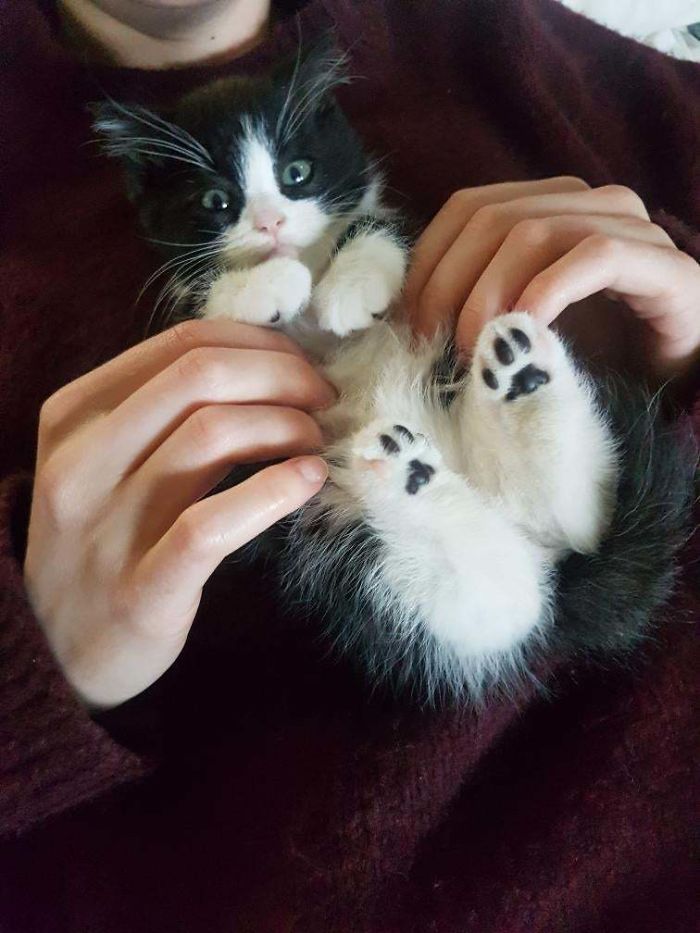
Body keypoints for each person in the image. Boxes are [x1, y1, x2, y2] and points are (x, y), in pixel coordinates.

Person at [0, 0, 698, 929]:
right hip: (301, 858)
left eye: (290, 178)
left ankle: (547, 460)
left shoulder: (511, 41)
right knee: (456, 582)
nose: (273, 222)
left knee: (506, 469)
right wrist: (32, 668)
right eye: (221, 205)